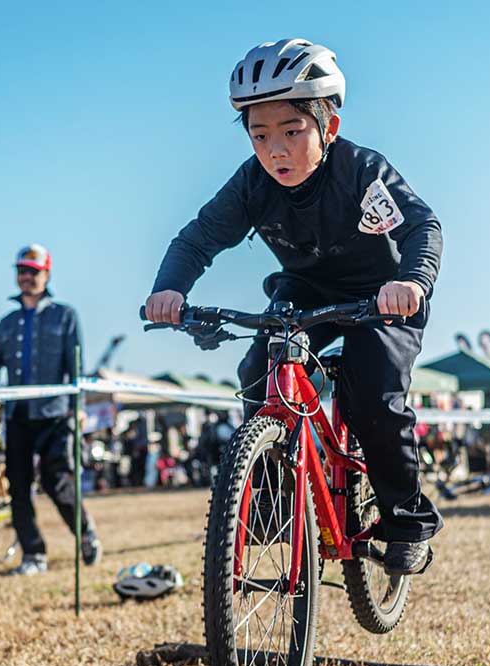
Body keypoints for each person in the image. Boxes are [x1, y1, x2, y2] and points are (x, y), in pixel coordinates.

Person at [144, 39, 443, 575]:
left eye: (291, 132)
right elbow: (197, 239)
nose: (274, 150)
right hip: (304, 290)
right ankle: (267, 498)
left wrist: (412, 281)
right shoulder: (252, 184)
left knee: (373, 392)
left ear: (328, 128)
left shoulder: (361, 172)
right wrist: (169, 289)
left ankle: (406, 519)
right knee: (258, 370)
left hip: (382, 295)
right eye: (259, 136)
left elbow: (422, 226)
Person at [0, 244, 100, 576]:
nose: (27, 277)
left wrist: (78, 407)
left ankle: (86, 533)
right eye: (22, 271)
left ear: (46, 275)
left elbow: (76, 367)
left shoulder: (65, 315)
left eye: (33, 272)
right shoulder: (7, 323)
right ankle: (33, 555)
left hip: (55, 414)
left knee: (57, 482)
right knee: (17, 485)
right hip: (18, 415)